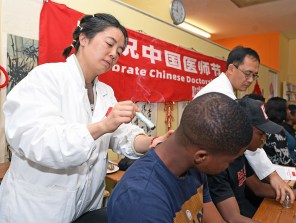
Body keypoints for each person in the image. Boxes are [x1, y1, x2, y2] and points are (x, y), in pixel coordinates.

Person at [0, 13, 170, 223]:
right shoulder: (46, 78)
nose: (114, 54)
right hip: (38, 210)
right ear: (83, 38)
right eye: (109, 44)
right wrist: (102, 126)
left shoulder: (106, 92)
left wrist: (151, 143)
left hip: (86, 208)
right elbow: (37, 140)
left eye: (119, 51)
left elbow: (121, 135)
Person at [107, 93, 253, 223]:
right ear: (202, 156)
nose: (229, 166)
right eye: (229, 161)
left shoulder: (194, 166)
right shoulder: (141, 203)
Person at [208, 97, 296, 222]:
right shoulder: (218, 166)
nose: (264, 138)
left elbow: (258, 188)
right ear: (241, 129)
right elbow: (233, 218)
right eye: (261, 133)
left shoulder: (241, 154)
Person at [194, 46, 293, 203]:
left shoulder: (227, 92)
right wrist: (272, 176)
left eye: (254, 75)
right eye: (247, 74)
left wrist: (272, 175)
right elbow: (245, 138)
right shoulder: (220, 97)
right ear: (232, 68)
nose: (250, 80)